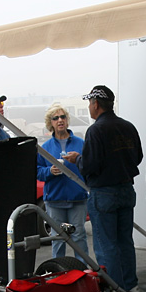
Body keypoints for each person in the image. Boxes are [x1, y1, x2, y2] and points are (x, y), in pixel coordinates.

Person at [62, 85, 142, 291]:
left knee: (107, 246)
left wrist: (76, 158)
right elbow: (138, 157)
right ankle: (129, 287)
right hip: (126, 190)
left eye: (89, 103)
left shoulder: (96, 130)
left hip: (104, 193)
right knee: (125, 242)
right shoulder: (128, 126)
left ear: (96, 104)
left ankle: (116, 290)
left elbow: (90, 165)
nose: (89, 107)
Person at [37, 104, 88, 260]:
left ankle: (83, 271)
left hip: (77, 198)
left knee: (79, 237)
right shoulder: (44, 148)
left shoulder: (81, 143)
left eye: (63, 117)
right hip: (54, 200)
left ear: (67, 120)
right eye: (56, 118)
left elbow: (90, 166)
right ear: (50, 123)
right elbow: (38, 172)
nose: (60, 120)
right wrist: (49, 172)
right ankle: (58, 273)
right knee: (58, 239)